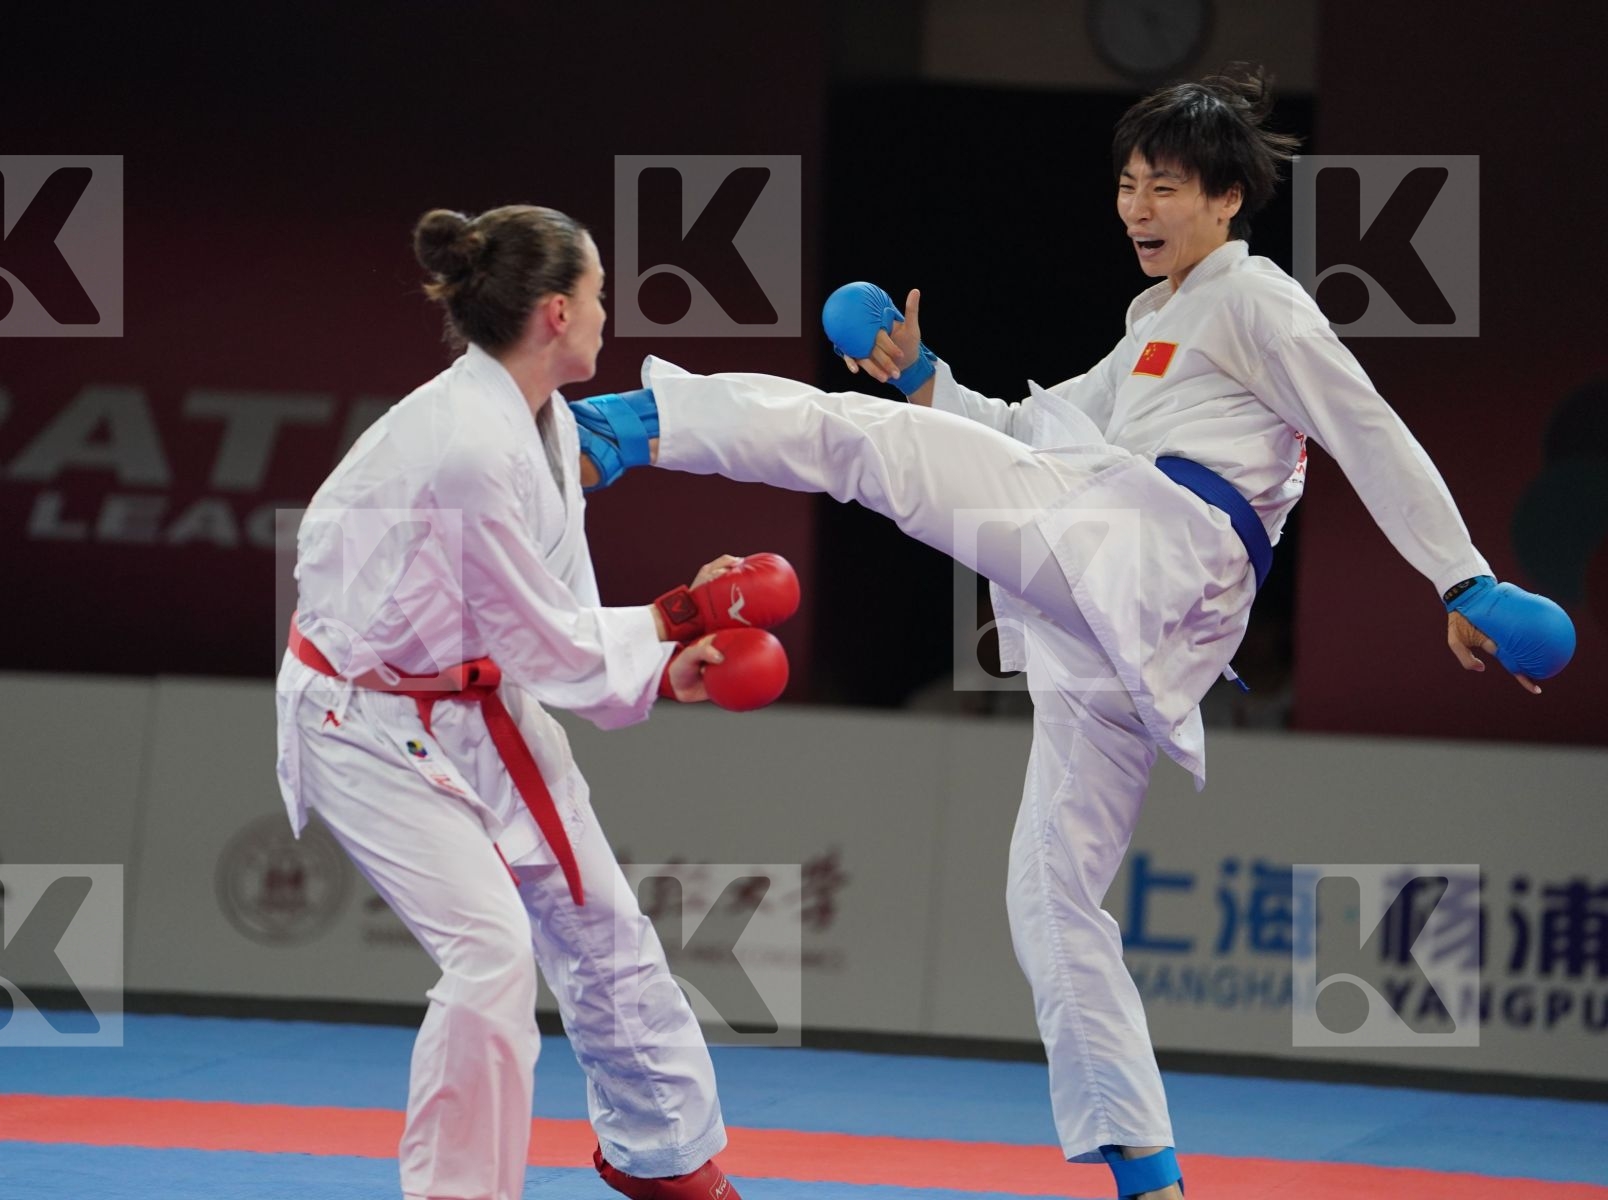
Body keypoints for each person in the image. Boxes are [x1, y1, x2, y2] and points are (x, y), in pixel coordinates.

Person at [572, 68, 1575, 1200]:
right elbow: (1024, 439)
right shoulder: (1156, 324)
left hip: (1156, 547)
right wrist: (926, 379)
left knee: (865, 452)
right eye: (1128, 185)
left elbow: (1365, 425)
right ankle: (1148, 1173)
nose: (1139, 208)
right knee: (1049, 897)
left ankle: (627, 423)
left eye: (1167, 188)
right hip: (1117, 602)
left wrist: (1465, 581)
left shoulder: (1257, 303)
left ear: (1229, 200)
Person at [275, 203, 796, 1200]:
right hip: (362, 720)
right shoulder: (468, 445)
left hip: (477, 702)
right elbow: (546, 641)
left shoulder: (542, 427)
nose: (612, 314)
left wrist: (668, 647)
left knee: (601, 922)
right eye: (601, 295)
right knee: (491, 956)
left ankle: (667, 1167)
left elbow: (549, 616)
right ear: (557, 313)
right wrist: (681, 616)